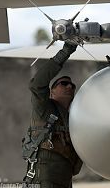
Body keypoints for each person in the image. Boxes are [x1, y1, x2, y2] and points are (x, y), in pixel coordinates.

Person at [22, 42, 83, 188]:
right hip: (44, 178)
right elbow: (36, 85)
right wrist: (65, 52)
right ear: (52, 92)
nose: (70, 87)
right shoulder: (44, 108)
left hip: (65, 178)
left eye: (72, 86)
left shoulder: (76, 118)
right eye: (63, 83)